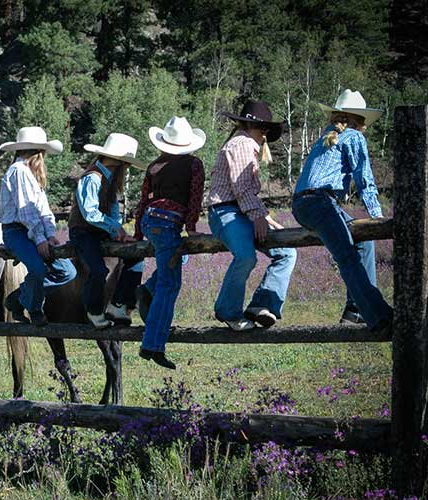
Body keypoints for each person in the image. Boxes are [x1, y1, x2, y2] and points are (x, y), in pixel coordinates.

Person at [292, 89, 392, 332]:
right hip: (321, 202)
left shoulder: (328, 135)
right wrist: (376, 216)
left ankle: (354, 310)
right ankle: (380, 317)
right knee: (347, 257)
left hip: (304, 203)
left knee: (363, 243)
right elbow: (364, 178)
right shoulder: (354, 137)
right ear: (361, 119)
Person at [206, 100, 297, 331]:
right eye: (264, 129)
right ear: (261, 129)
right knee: (247, 257)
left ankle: (261, 305)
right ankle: (228, 311)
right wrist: (258, 216)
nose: (265, 134)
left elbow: (243, 191)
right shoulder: (243, 144)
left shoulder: (243, 144)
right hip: (226, 211)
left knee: (286, 252)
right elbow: (242, 187)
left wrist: (264, 217)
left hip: (239, 212)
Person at [132, 117, 207, 369]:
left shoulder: (153, 166)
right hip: (168, 223)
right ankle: (152, 344)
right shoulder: (194, 164)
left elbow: (143, 201)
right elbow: (195, 197)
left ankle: (147, 289)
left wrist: (137, 234)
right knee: (170, 284)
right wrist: (192, 226)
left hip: (150, 221)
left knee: (174, 262)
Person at [0, 126, 77, 326]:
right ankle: (34, 309)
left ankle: (19, 299)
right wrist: (41, 238)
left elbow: (43, 210)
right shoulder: (19, 172)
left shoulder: (28, 174)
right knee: (39, 269)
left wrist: (50, 233)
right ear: (39, 154)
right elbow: (27, 212)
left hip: (29, 230)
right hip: (17, 231)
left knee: (67, 271)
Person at [68, 133, 144, 329]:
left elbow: (111, 211)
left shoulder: (108, 180)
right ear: (119, 163)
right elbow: (90, 213)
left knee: (135, 256)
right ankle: (94, 310)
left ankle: (118, 303)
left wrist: (118, 232)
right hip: (83, 232)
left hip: (99, 232)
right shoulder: (92, 178)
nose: (126, 170)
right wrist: (115, 228)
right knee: (98, 270)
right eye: (126, 165)